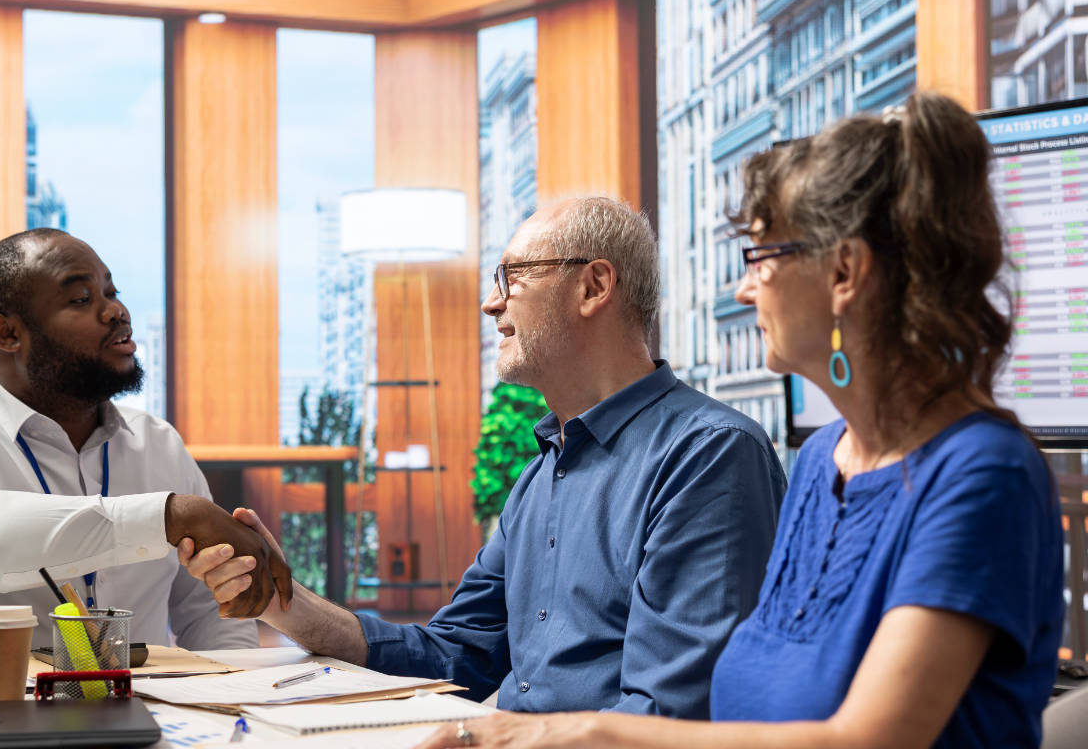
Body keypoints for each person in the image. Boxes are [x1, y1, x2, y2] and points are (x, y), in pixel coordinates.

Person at [415, 93, 1064, 748]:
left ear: (844, 272)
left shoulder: (983, 472)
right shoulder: (821, 461)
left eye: (761, 259)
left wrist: (552, 735)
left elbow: (869, 740)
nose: (743, 289)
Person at [178, 197, 787, 717]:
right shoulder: (542, 473)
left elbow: (672, 715)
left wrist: (487, 736)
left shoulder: (707, 456)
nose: (491, 305)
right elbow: (458, 655)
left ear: (594, 286)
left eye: (512, 276)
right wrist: (283, 600)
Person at [0, 228, 291, 648]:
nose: (115, 311)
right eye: (81, 299)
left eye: (111, 292)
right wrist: (166, 517)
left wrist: (224, 698)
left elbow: (211, 611)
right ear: (7, 334)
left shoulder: (158, 443)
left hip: (151, 712)